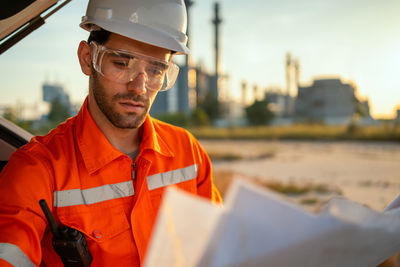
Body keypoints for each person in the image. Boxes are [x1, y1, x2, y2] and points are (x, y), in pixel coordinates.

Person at [0, 0, 222, 266]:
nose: (139, 87)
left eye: (155, 70)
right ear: (87, 58)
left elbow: (219, 248)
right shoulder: (37, 170)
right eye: (121, 63)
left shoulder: (188, 152)